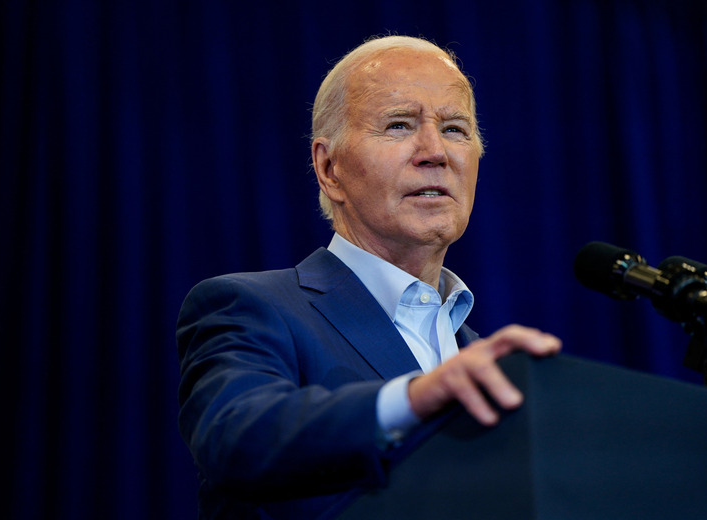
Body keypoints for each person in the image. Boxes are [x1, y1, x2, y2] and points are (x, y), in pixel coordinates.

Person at [176, 35, 561, 519]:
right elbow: (235, 438)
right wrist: (415, 399)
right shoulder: (251, 307)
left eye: (455, 129)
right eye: (399, 125)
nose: (435, 152)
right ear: (329, 168)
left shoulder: (483, 361)